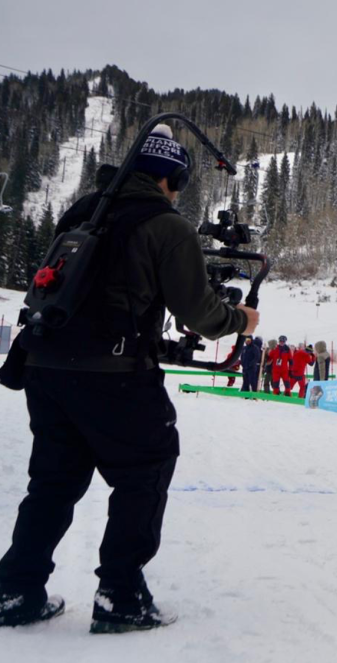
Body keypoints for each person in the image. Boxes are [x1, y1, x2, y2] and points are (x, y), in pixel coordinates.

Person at [0, 125, 259, 631]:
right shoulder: (167, 225)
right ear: (172, 179)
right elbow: (201, 314)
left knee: (52, 482)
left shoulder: (83, 211)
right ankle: (121, 596)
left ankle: (15, 590)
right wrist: (240, 321)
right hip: (115, 376)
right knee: (146, 469)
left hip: (46, 367)